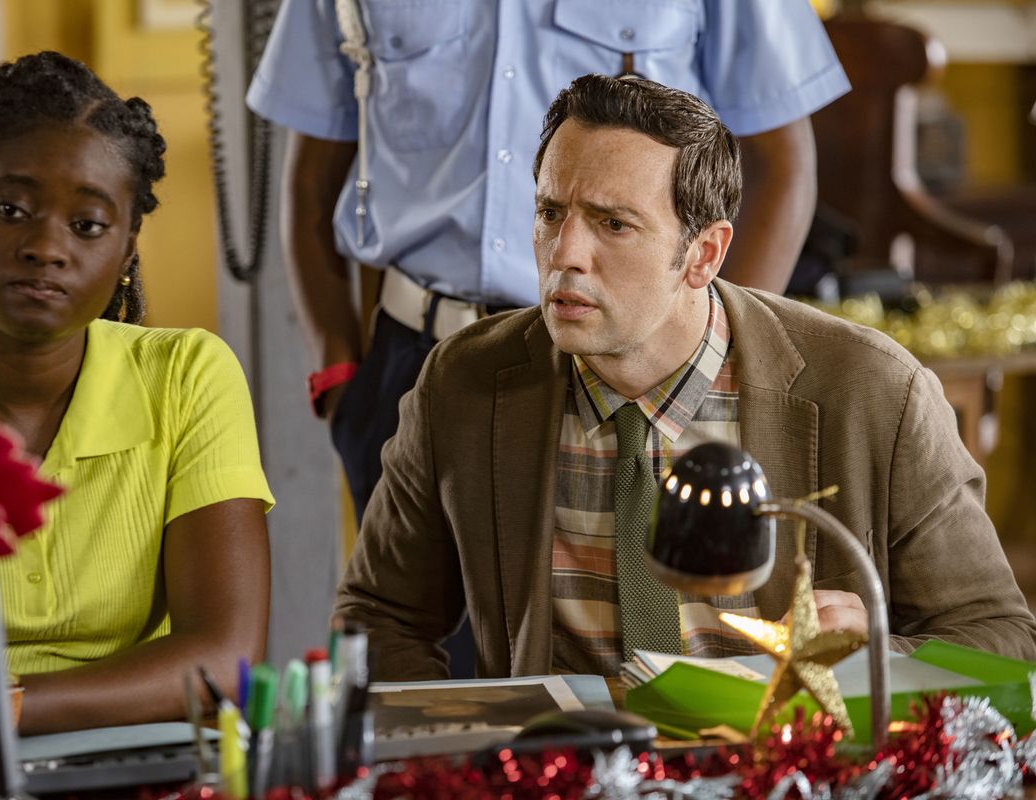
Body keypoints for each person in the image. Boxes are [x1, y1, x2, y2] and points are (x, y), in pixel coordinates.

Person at [333, 74, 1036, 681]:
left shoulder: (876, 393)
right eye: (551, 213)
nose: (564, 254)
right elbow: (379, 617)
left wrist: (875, 652)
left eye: (613, 224)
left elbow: (1002, 643)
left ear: (704, 254)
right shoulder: (464, 383)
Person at [247, 0, 852, 521]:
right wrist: (340, 378)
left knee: (635, 635)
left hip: (633, 365)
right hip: (410, 367)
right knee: (411, 640)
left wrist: (718, 368)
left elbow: (782, 165)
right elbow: (309, 183)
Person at [0, 52, 275, 734]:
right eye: (11, 209)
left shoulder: (189, 376)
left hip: (129, 757)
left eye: (88, 225)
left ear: (128, 246)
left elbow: (223, 660)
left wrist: (0, 708)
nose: (46, 246)